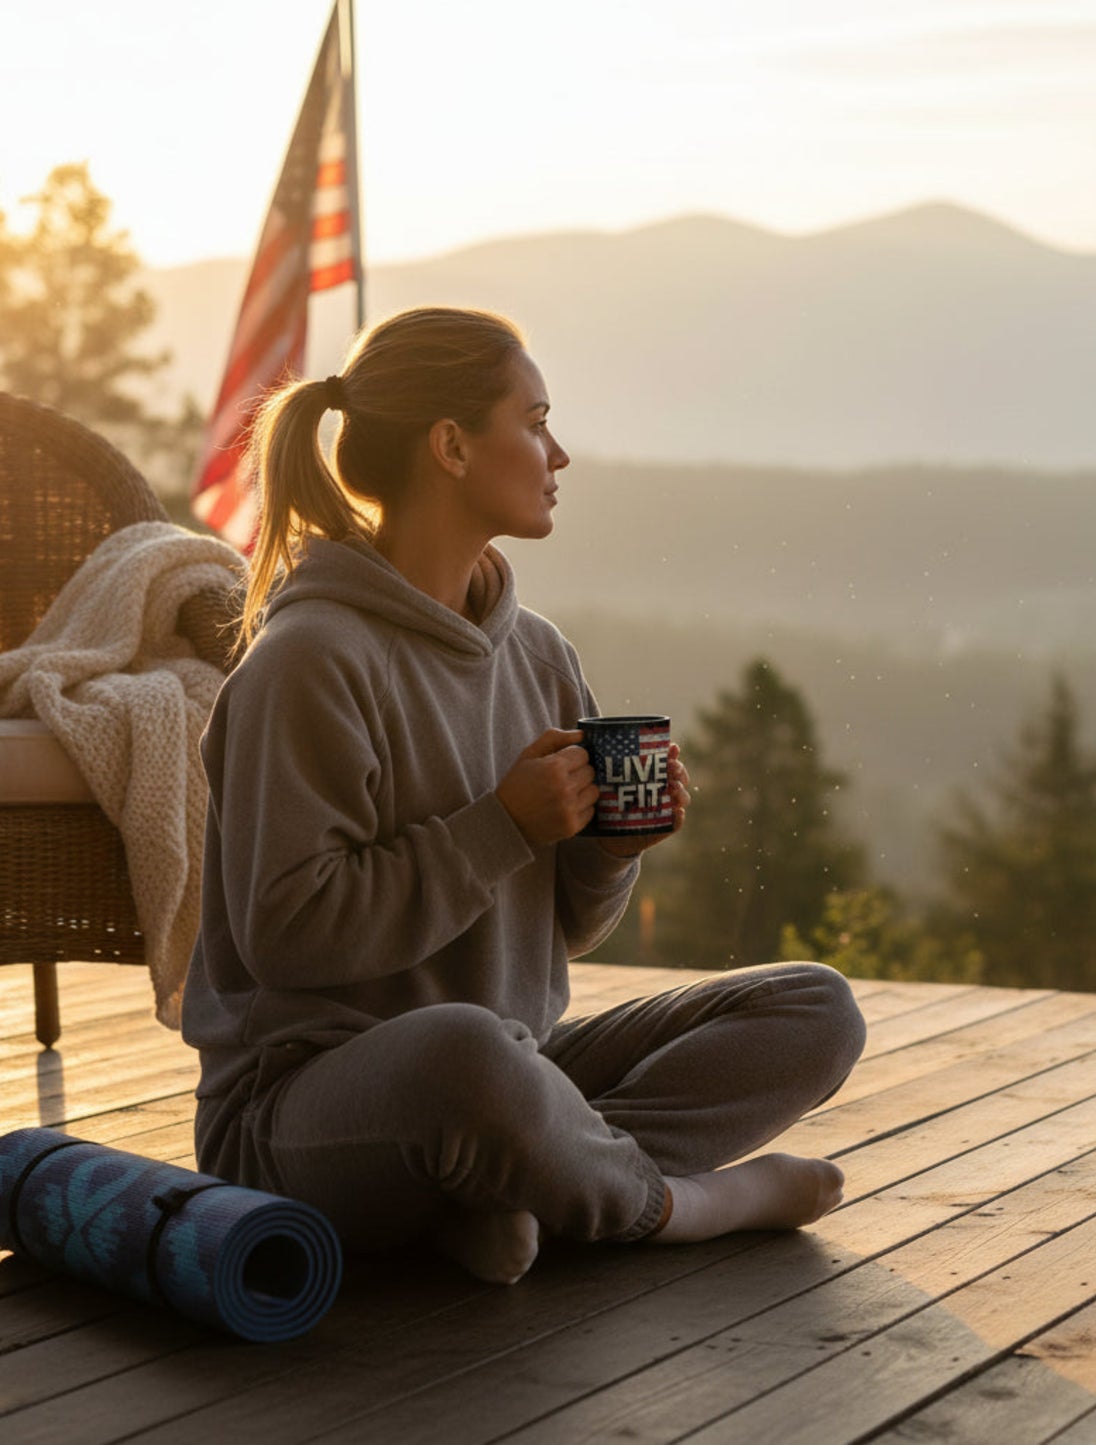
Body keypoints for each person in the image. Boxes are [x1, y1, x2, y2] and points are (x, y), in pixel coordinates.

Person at [180, 306, 866, 1284]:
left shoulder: (537, 653)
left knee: (813, 1006)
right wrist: (500, 824)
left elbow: (559, 931)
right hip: (305, 1112)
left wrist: (604, 849)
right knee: (460, 1055)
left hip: (510, 1073)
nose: (559, 452)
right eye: (535, 420)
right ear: (452, 446)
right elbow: (290, 934)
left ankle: (516, 1184)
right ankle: (676, 1204)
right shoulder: (310, 659)